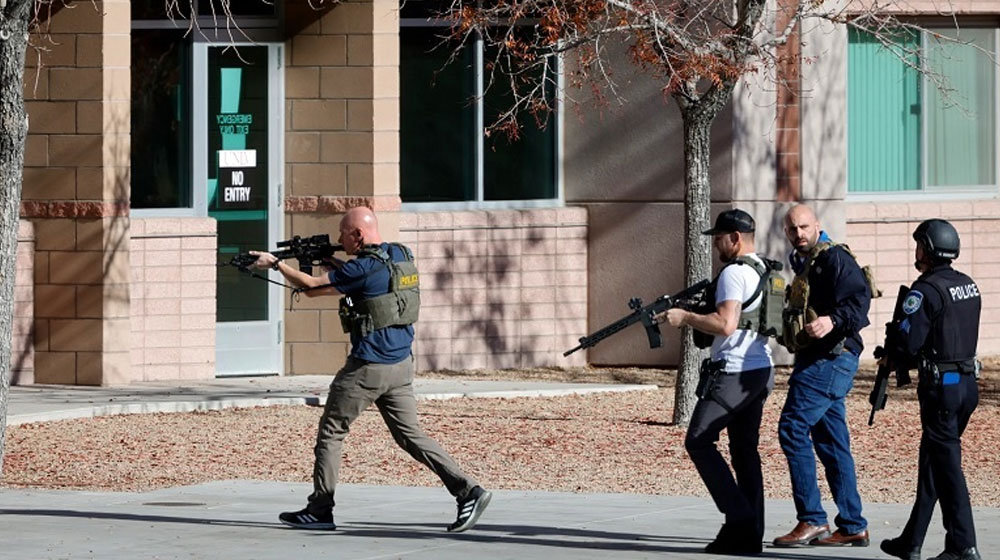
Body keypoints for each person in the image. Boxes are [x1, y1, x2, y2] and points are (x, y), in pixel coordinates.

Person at [251, 206, 491, 532]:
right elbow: (365, 282)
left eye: (343, 234)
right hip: (401, 366)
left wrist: (276, 264)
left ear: (358, 236)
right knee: (411, 436)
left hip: (368, 367)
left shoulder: (362, 267)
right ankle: (468, 491)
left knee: (332, 431)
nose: (339, 239)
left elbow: (310, 287)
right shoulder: (399, 255)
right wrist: (336, 265)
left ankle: (320, 510)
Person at [657, 209, 774, 555]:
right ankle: (748, 535)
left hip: (734, 372)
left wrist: (685, 317)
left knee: (699, 440)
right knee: (743, 452)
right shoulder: (764, 269)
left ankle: (739, 517)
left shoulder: (734, 273)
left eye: (719, 237)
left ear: (735, 238)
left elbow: (725, 324)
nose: (716, 244)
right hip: (760, 370)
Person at [880, 219, 982, 560]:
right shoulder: (967, 285)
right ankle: (911, 541)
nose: (916, 250)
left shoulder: (924, 291)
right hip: (967, 385)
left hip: (942, 390)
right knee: (934, 463)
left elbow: (910, 342)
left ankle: (962, 544)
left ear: (927, 248)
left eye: (919, 244)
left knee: (948, 467)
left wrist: (894, 351)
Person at [773, 204, 871, 547]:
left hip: (831, 358)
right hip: (818, 358)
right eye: (792, 229)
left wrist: (832, 320)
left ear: (817, 225)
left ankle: (812, 520)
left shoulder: (834, 259)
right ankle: (853, 524)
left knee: (792, 427)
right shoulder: (804, 260)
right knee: (831, 441)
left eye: (804, 227)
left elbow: (859, 302)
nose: (798, 233)